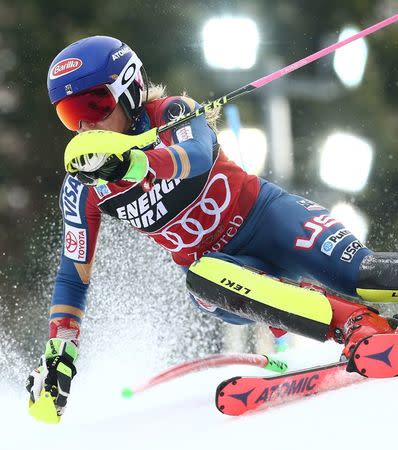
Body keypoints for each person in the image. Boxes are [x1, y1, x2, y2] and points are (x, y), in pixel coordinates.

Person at [26, 35, 398, 420]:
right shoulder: (83, 188)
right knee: (200, 280)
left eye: (95, 105)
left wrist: (134, 164)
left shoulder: (172, 114)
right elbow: (73, 275)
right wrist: (59, 354)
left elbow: (198, 155)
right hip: (227, 277)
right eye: (71, 114)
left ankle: (361, 308)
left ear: (129, 89)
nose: (86, 125)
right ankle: (359, 325)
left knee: (365, 275)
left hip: (270, 221)